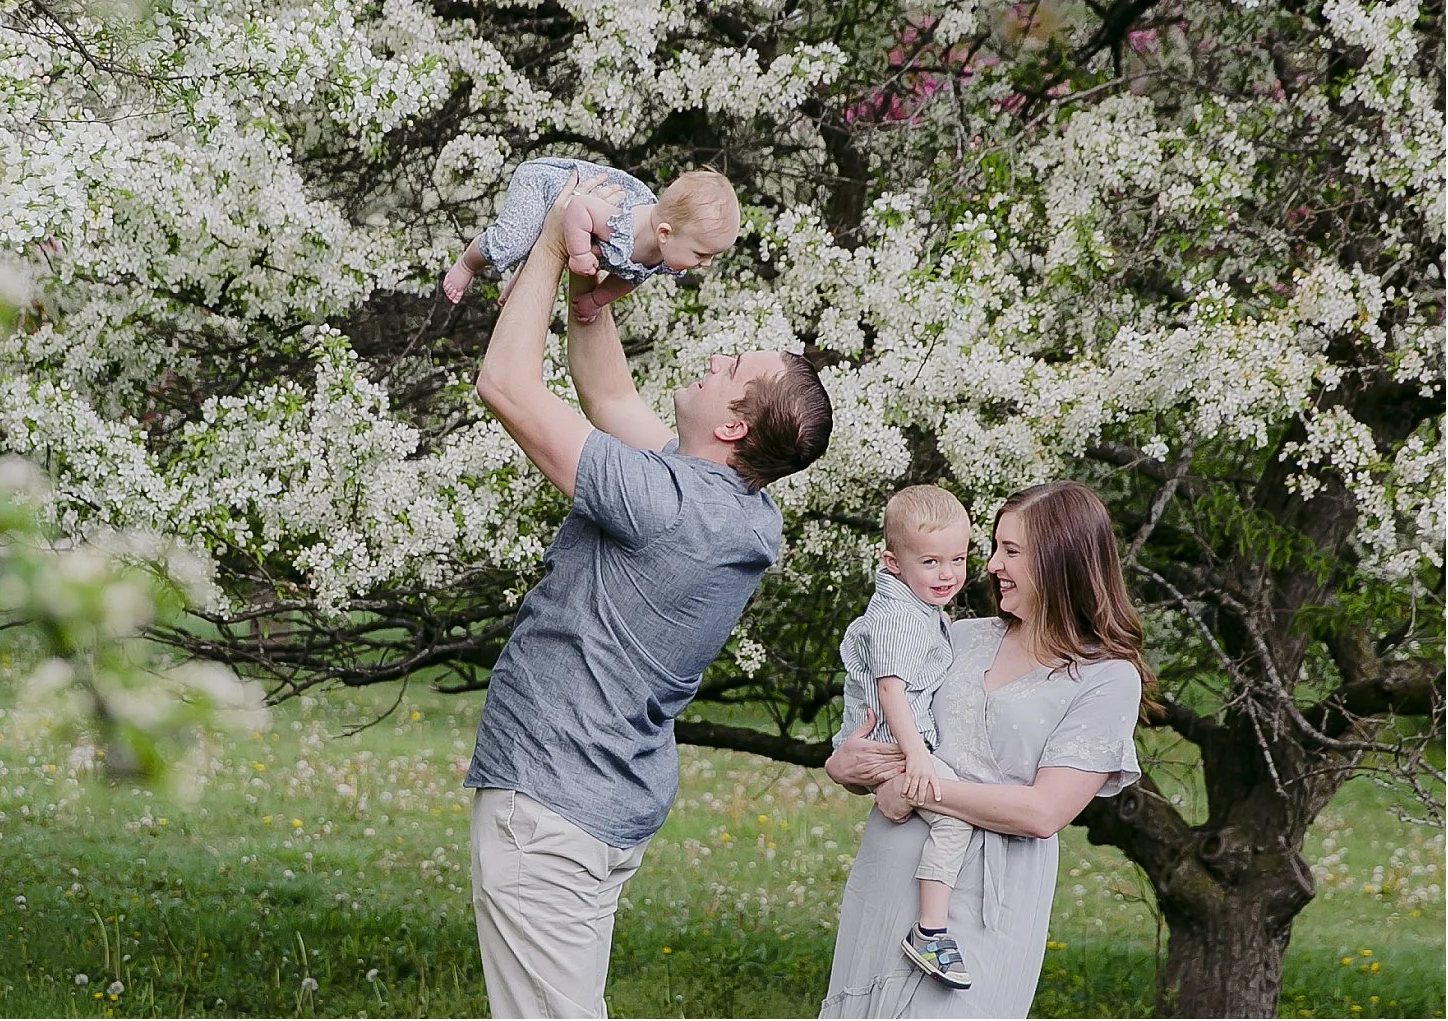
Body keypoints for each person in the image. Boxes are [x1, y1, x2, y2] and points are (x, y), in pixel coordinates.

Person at [465, 174, 833, 1019]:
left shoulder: (664, 504)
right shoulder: (737, 509)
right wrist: (590, 304)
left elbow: (506, 386)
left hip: (549, 802)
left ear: (734, 424)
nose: (715, 359)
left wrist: (552, 240)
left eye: (731, 369)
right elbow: (610, 398)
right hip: (596, 804)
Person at [819, 482, 1149, 1019]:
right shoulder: (959, 636)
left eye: (1011, 551)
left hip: (988, 897)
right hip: (891, 869)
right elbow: (892, 726)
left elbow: (1043, 812)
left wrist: (917, 790)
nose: (992, 565)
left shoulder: (1106, 678)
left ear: (1060, 561)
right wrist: (847, 765)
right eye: (995, 547)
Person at [835, 485, 976, 988]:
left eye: (957, 559)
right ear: (893, 562)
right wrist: (916, 757)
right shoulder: (897, 618)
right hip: (896, 747)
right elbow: (890, 689)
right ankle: (930, 931)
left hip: (896, 747)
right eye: (931, 562)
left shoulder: (918, 608)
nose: (947, 574)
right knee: (955, 819)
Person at [443, 160, 740, 323]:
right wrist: (580, 254)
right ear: (665, 233)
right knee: (511, 243)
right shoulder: (624, 225)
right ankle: (468, 263)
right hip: (548, 185)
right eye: (701, 254)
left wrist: (597, 300)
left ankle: (519, 282)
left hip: (576, 215)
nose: (706, 264)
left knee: (540, 246)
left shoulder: (662, 253)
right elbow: (578, 208)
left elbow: (631, 276)